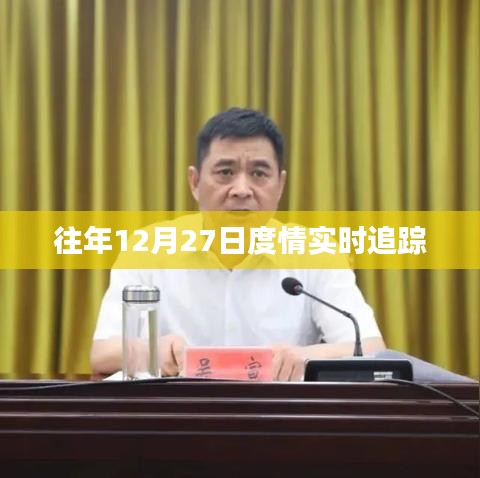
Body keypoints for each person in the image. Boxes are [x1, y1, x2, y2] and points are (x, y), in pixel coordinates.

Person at [90, 107, 385, 381]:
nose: (242, 190)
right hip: (177, 414)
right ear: (194, 182)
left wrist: (305, 356)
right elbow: (102, 354)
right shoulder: (148, 248)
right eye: (225, 172)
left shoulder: (316, 252)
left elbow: (371, 347)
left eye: (259, 173)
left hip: (278, 415)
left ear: (280, 185)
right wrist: (151, 352)